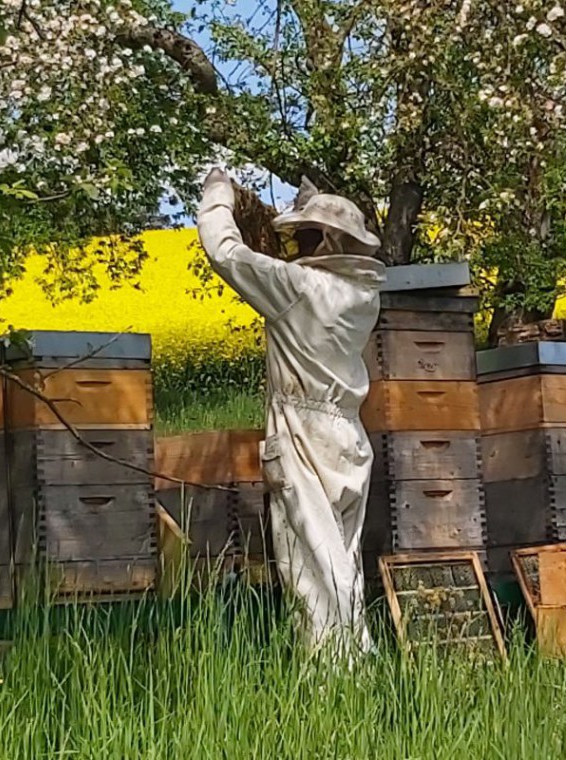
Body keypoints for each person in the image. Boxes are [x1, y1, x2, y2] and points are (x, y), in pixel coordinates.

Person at [196, 167, 386, 658]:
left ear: (325, 241)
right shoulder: (365, 296)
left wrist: (218, 194)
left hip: (306, 433)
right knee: (342, 559)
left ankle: (338, 677)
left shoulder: (300, 288)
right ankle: (354, 677)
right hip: (349, 436)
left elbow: (226, 253)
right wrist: (312, 206)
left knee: (311, 567)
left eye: (303, 236)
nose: (295, 245)